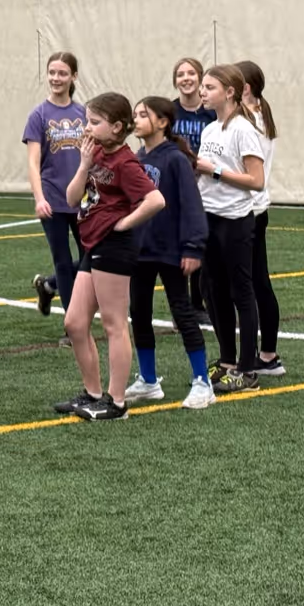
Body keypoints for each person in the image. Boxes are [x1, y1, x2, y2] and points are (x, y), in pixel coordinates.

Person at [51, 94, 165, 421]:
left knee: (115, 325)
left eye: (94, 122)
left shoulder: (125, 162)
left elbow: (155, 200)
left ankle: (117, 403)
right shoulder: (96, 153)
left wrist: (123, 224)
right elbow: (72, 198)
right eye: (87, 120)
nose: (87, 127)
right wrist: (85, 164)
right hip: (93, 244)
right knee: (74, 323)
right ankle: (92, 393)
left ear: (116, 127)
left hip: (114, 247)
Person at [124, 97, 212, 410]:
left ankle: (203, 381)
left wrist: (192, 247)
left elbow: (192, 205)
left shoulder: (175, 160)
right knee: (140, 314)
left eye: (143, 115)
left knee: (182, 312)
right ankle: (148, 381)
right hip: (142, 251)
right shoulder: (136, 156)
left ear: (162, 122)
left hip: (173, 250)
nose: (136, 120)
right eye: (134, 115)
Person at [193, 65, 268, 393]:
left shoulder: (243, 130)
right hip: (209, 218)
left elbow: (256, 180)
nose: (202, 92)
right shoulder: (210, 131)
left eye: (209, 87)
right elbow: (204, 175)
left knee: (242, 292)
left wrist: (216, 171)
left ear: (230, 92)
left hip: (235, 221)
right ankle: (227, 361)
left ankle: (248, 370)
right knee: (212, 290)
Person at [25, 52, 87, 322]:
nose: (56, 78)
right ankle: (72, 326)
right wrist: (39, 199)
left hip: (83, 200)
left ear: (73, 76)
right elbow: (32, 162)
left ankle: (48, 286)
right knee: (63, 261)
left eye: (62, 73)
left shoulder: (83, 113)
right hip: (53, 200)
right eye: (52, 72)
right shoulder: (38, 115)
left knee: (91, 258)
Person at [236, 61, 282, 376]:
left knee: (247, 285)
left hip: (246, 209)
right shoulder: (262, 115)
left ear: (245, 89)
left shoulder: (247, 122)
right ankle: (267, 355)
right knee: (258, 282)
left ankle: (257, 358)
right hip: (257, 208)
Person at [171, 57, 217, 322]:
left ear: (200, 79)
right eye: (180, 74)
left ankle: (198, 303)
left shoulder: (211, 113)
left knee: (201, 244)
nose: (186, 78)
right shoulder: (169, 111)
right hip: (177, 187)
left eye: (191, 73)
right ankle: (182, 308)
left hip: (207, 186)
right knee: (178, 247)